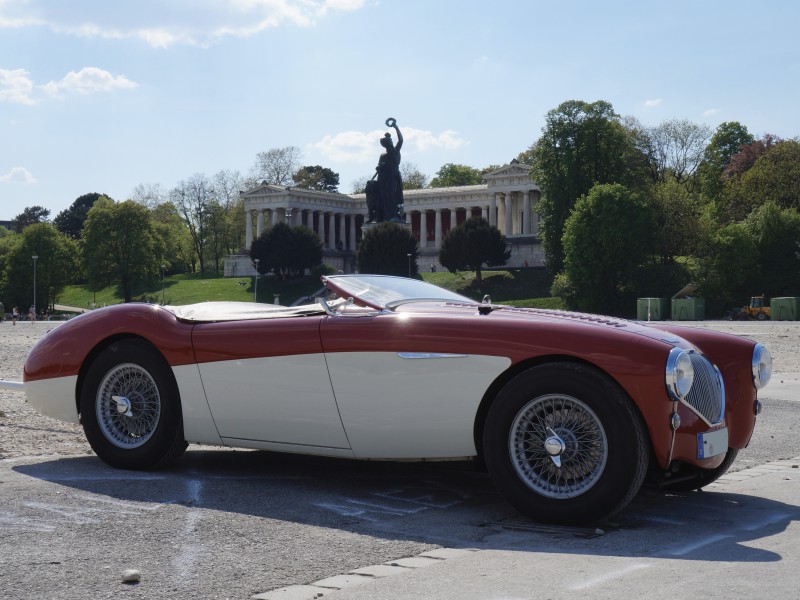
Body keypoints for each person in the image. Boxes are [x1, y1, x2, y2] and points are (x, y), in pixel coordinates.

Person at [375, 117, 404, 222]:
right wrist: (379, 167)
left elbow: (401, 140)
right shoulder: (383, 155)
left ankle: (393, 215)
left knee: (393, 196)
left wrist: (396, 127)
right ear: (387, 144)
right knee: (384, 197)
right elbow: (379, 168)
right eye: (390, 141)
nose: (391, 142)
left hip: (393, 178)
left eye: (391, 141)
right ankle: (387, 216)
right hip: (384, 179)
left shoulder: (395, 151)